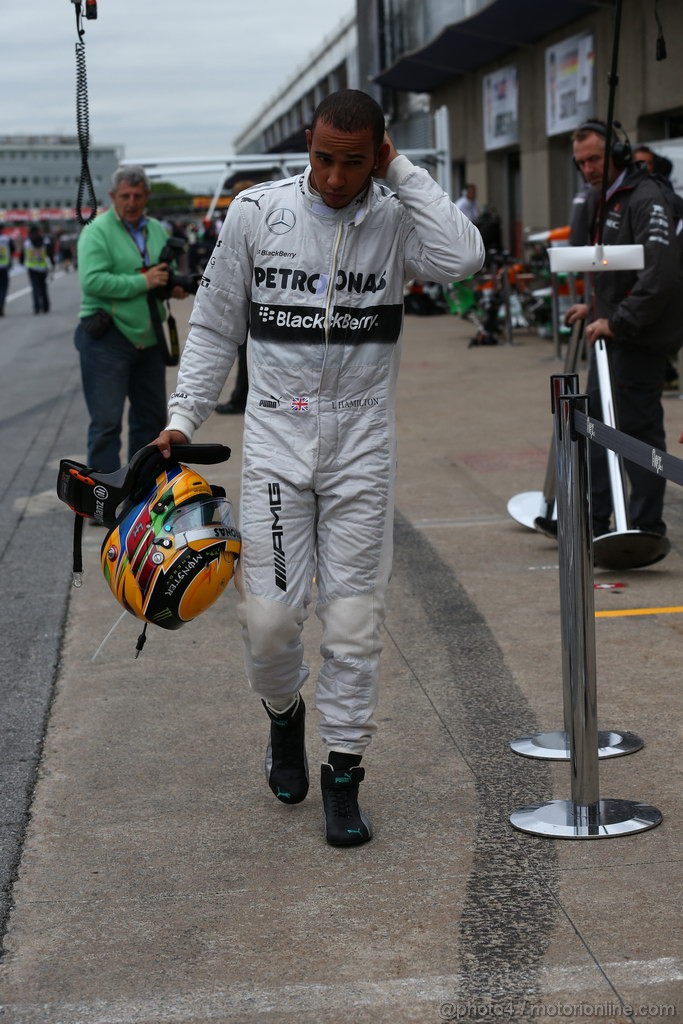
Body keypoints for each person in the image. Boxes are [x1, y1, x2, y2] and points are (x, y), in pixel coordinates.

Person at [152, 89, 484, 847]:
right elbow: (210, 327)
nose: (336, 179)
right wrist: (181, 419)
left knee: (353, 623)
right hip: (276, 437)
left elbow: (464, 258)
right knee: (270, 622)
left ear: (380, 153)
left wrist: (402, 177)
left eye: (355, 162)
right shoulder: (254, 214)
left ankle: (343, 771)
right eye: (324, 160)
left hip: (362, 441)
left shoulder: (397, 215)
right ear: (308, 146)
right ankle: (283, 717)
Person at [565, 120, 683, 541]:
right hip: (610, 335)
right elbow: (615, 268)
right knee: (596, 428)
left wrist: (618, 320)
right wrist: (594, 307)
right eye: (581, 163)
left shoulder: (646, 196)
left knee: (639, 435)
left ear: (617, 153)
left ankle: (647, 527)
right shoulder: (607, 198)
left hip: (637, 339)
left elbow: (661, 275)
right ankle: (599, 523)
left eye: (594, 159)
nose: (588, 169)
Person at [75, 165, 185, 474]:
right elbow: (92, 282)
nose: (132, 202)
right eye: (125, 196)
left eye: (138, 195)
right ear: (112, 197)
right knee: (107, 422)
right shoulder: (96, 231)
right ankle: (103, 498)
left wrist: (170, 287)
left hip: (149, 336)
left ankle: (141, 493)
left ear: (147, 196)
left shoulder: (157, 229)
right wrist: (143, 282)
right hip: (107, 337)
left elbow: (161, 274)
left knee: (150, 420)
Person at [214, 181, 256, 415]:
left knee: (246, 355)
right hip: (247, 304)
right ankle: (242, 397)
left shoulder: (247, 225)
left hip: (251, 306)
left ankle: (240, 399)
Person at [22, 225, 52, 314]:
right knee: (43, 287)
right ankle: (46, 306)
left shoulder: (27, 242)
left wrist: (22, 262)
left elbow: (23, 254)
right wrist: (52, 264)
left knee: (35, 288)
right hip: (42, 267)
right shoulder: (44, 241)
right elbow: (49, 253)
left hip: (32, 267)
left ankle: (37, 307)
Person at [0, 226, 14, 316]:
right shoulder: (6, 239)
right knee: (3, 289)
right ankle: (1, 306)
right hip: (4, 266)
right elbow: (13, 250)